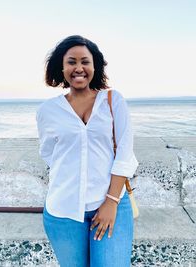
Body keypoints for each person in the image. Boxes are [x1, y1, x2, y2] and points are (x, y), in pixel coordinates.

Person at [36, 35, 138, 267]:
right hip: (63, 211)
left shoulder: (113, 101)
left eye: (85, 61)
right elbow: (50, 154)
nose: (79, 68)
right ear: (61, 68)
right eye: (71, 62)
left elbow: (124, 154)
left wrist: (111, 202)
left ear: (95, 66)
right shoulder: (47, 110)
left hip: (111, 205)